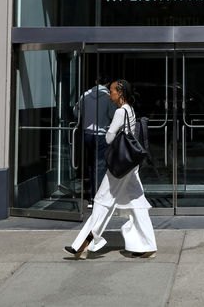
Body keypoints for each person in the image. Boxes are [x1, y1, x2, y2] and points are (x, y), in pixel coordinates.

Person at [64, 79, 157, 259]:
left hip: (119, 167)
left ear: (120, 92)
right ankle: (148, 245)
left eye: (112, 91)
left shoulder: (120, 112)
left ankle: (84, 244)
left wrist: (108, 131)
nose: (109, 94)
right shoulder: (129, 109)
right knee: (137, 205)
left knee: (101, 201)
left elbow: (108, 138)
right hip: (130, 165)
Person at [74, 76, 117, 202]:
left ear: (95, 82)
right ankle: (98, 196)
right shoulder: (108, 97)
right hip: (101, 134)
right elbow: (112, 114)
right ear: (108, 83)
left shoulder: (85, 95)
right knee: (101, 165)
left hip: (87, 135)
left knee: (92, 165)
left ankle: (93, 194)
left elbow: (77, 113)